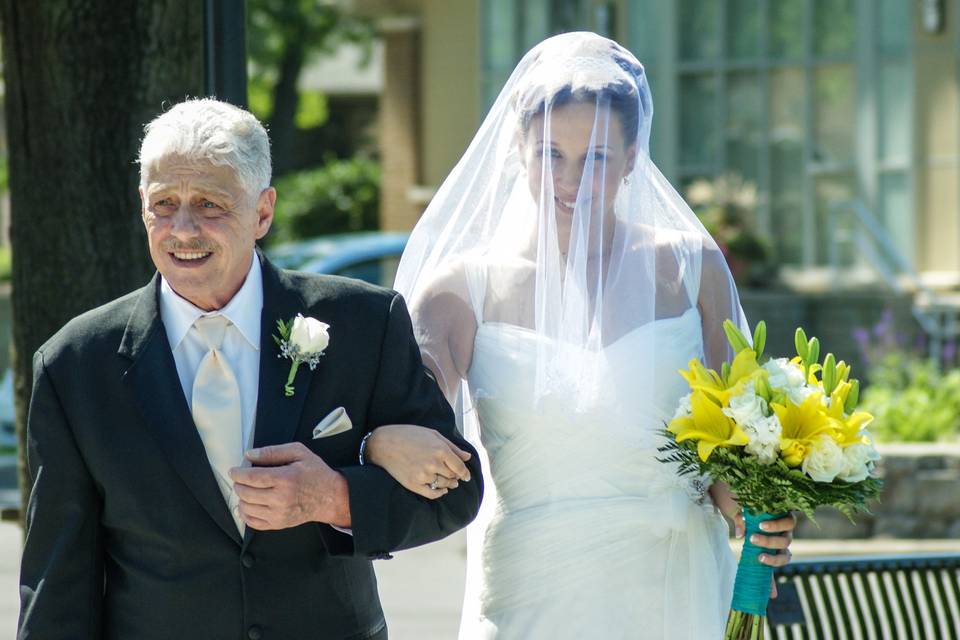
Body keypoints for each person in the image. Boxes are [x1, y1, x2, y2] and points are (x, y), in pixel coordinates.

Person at [361, 33, 795, 638]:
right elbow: (404, 425)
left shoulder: (693, 270)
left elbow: (728, 459)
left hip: (677, 582)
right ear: (518, 150)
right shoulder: (460, 290)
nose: (571, 179)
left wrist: (760, 510)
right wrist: (379, 443)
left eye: (595, 156)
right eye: (550, 154)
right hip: (533, 588)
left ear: (631, 154)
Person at [17, 98, 482, 640]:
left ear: (263, 212)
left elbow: (456, 493)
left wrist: (333, 495)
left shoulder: (364, 324)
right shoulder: (75, 364)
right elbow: (57, 580)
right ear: (141, 204)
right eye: (164, 203)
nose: (183, 229)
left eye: (211, 205)